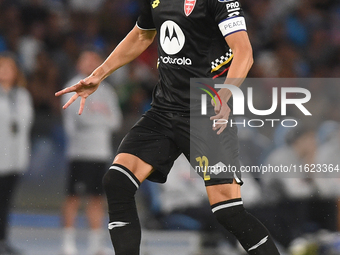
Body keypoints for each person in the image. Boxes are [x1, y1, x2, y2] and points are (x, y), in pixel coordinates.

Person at [56, 0, 280, 254]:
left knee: (228, 212)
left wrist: (225, 96)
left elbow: (244, 52)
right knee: (117, 181)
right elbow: (141, 35)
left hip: (207, 114)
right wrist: (99, 73)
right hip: (163, 111)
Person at [60, 50, 122, 255]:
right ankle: (67, 242)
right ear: (78, 63)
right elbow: (78, 119)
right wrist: (100, 118)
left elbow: (116, 121)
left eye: (94, 60)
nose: (90, 64)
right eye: (86, 59)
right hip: (79, 152)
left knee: (97, 198)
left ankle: (96, 244)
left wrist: (96, 117)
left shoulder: (107, 90)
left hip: (100, 153)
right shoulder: (72, 86)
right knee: (73, 197)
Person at [0, 53, 34, 255]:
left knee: (4, 203)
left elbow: (26, 122)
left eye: (8, 68)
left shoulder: (22, 95)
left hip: (13, 159)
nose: (4, 72)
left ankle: (3, 241)